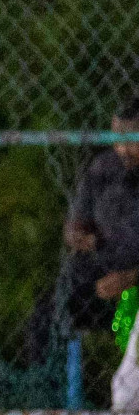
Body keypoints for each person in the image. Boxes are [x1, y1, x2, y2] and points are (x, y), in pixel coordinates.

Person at [63, 95, 139, 330]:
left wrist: (131, 278)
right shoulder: (103, 167)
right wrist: (77, 236)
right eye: (117, 138)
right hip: (103, 268)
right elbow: (77, 223)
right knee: (50, 313)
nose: (123, 149)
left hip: (133, 276)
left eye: (132, 139)